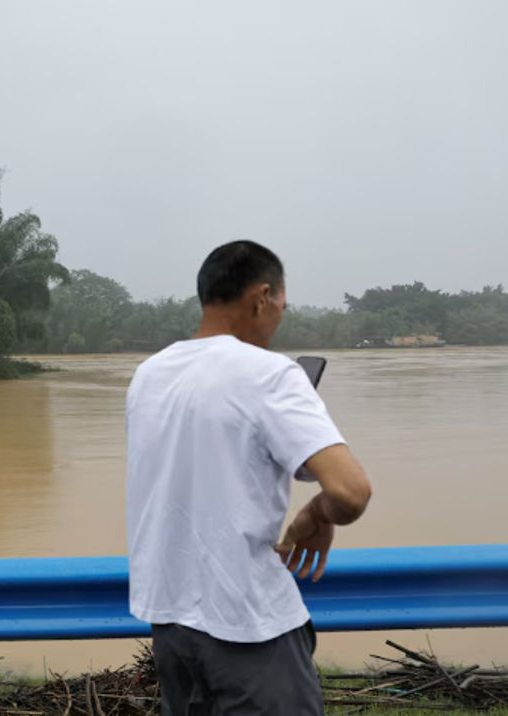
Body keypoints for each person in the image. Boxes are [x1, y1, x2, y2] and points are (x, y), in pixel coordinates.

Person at [125, 240, 372, 715]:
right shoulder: (270, 373)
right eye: (281, 303)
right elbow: (350, 491)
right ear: (261, 297)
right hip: (247, 623)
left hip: (171, 624)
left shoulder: (149, 375)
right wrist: (317, 513)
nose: (279, 316)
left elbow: (219, 463)